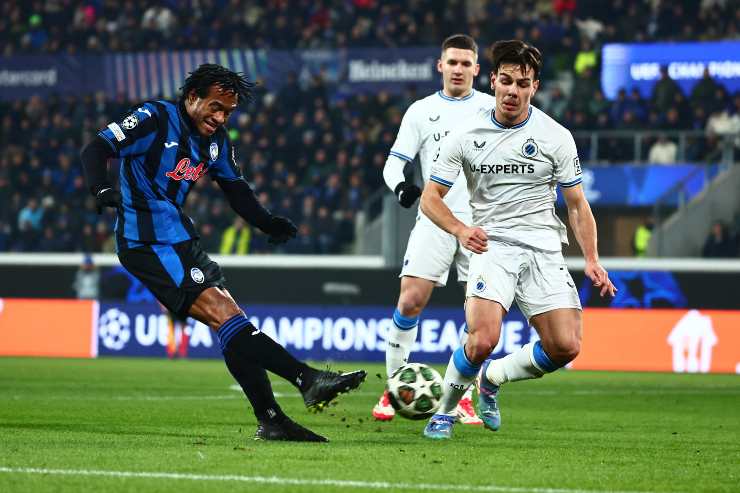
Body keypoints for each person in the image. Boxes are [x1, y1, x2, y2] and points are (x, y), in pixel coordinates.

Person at [81, 63, 365, 442]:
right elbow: (97, 148)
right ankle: (306, 378)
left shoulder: (216, 142)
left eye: (228, 112)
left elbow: (235, 189)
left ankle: (272, 419)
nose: (220, 117)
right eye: (215, 107)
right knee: (224, 315)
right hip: (145, 243)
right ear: (192, 98)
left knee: (231, 322)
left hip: (181, 238)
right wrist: (100, 189)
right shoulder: (154, 118)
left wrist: (266, 222)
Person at [419, 40, 616, 439]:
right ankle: (444, 412)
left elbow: (577, 205)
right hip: (492, 246)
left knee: (566, 346)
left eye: (522, 84)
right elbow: (430, 198)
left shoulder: (555, 136)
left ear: (534, 87)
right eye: (506, 81)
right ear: (492, 81)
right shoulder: (464, 134)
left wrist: (592, 259)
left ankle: (493, 378)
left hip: (543, 247)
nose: (513, 91)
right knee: (482, 339)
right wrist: (461, 230)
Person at [374, 34, 496, 424]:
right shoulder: (421, 111)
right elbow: (394, 164)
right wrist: (402, 188)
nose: (458, 69)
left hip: (482, 225)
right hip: (436, 218)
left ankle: (461, 396)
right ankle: (395, 388)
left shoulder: (491, 108)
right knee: (410, 300)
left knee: (479, 318)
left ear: (477, 69)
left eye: (466, 63)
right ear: (440, 66)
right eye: (452, 62)